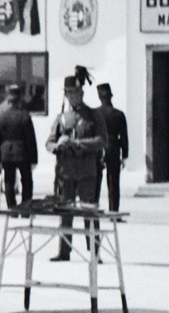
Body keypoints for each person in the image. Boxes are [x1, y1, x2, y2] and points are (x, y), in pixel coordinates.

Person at [46, 74, 109, 260]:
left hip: (87, 171)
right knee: (65, 212)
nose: (74, 96)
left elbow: (102, 140)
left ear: (82, 93)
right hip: (66, 172)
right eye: (70, 93)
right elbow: (49, 142)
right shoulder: (62, 118)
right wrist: (57, 146)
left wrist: (77, 143)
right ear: (66, 95)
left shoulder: (94, 115)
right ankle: (64, 251)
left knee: (89, 211)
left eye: (77, 92)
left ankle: (95, 253)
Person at [0, 83, 38, 210]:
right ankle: (26, 208)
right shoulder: (25, 116)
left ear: (8, 99)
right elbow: (31, 139)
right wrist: (34, 159)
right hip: (23, 152)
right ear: (20, 99)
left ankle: (12, 208)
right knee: (27, 181)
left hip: (6, 152)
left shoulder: (1, 117)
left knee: (9, 181)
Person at [95, 83, 129, 212]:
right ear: (111, 96)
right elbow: (124, 136)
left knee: (97, 180)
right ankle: (114, 210)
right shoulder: (119, 114)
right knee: (114, 182)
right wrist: (125, 155)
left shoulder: (95, 113)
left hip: (98, 148)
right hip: (114, 147)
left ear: (99, 97)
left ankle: (94, 207)